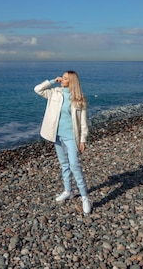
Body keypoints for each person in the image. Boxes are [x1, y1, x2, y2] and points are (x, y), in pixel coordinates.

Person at [34, 70, 92, 214]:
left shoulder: (79, 98)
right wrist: (52, 81)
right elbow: (37, 89)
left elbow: (83, 122)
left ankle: (85, 197)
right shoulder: (55, 93)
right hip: (57, 135)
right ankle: (68, 191)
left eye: (65, 78)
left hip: (72, 137)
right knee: (64, 164)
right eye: (62, 78)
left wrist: (83, 140)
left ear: (72, 81)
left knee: (74, 165)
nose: (62, 80)